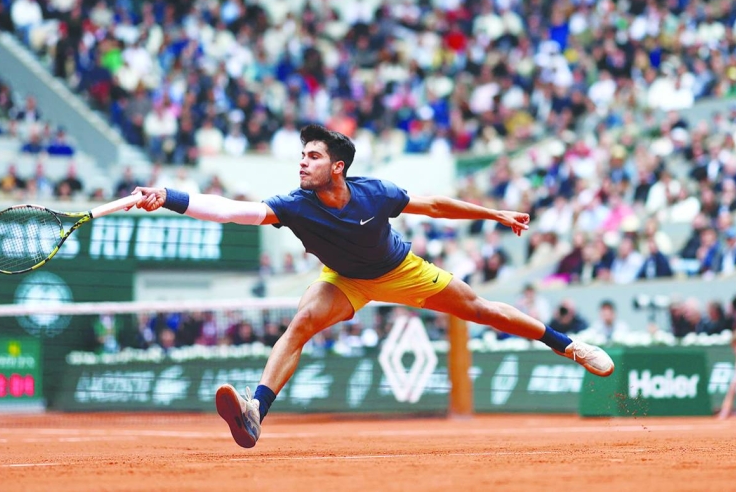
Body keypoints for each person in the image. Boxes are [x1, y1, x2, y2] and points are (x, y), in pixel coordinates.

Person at [130, 125, 614, 448]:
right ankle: (255, 411)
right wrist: (169, 196)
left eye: (313, 156)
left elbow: (436, 206)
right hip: (343, 281)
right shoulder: (294, 204)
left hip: (400, 269)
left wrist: (494, 213)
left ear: (337, 167)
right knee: (300, 324)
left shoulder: (373, 193)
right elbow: (234, 210)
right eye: (302, 155)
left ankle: (570, 346)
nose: (302, 163)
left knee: (479, 308)